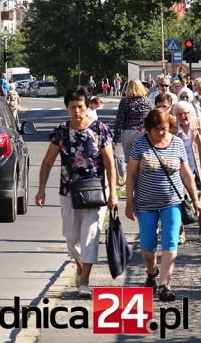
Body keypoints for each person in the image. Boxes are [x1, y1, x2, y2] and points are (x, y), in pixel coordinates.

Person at [35, 86, 118, 299]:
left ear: (87, 106)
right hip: (68, 191)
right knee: (71, 237)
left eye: (80, 106)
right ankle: (80, 265)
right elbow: (47, 162)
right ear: (67, 108)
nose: (77, 111)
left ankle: (84, 281)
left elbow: (109, 162)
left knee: (90, 236)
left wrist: (114, 193)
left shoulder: (100, 130)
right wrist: (41, 189)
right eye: (72, 107)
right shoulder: (61, 132)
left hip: (95, 191)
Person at [125, 109, 201, 301]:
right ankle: (152, 272)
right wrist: (128, 201)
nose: (161, 132)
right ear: (149, 128)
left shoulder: (176, 143)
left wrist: (195, 199)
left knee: (170, 242)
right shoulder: (140, 143)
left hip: (172, 203)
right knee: (147, 246)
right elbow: (132, 174)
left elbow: (186, 174)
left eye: (164, 128)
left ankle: (164, 284)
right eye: (157, 129)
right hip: (145, 204)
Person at [172, 101, 201, 245]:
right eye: (180, 114)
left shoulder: (199, 125)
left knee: (199, 202)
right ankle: (181, 232)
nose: (184, 116)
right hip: (179, 171)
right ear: (176, 116)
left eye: (186, 113)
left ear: (192, 113)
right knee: (180, 202)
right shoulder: (172, 128)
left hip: (198, 168)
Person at [113, 79, 152, 161]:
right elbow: (151, 118)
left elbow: (119, 120)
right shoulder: (147, 101)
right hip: (142, 131)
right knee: (143, 159)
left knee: (129, 160)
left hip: (127, 132)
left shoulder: (125, 102)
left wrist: (115, 139)